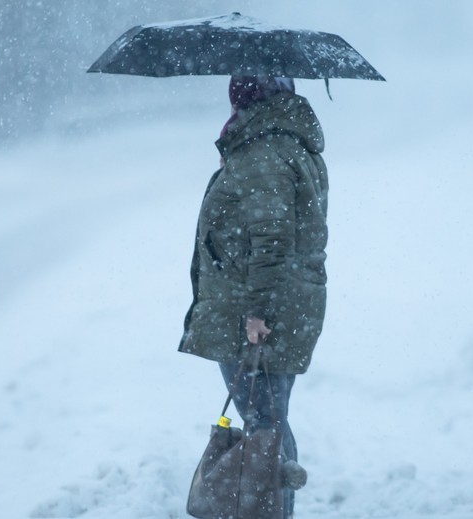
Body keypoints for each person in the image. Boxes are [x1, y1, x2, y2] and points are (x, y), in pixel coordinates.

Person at [179, 75, 328, 518]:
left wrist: (257, 312)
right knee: (269, 420)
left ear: (247, 97)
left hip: (260, 312)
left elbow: (272, 237)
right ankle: (276, 509)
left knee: (265, 424)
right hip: (280, 303)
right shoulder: (280, 143)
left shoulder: (264, 151)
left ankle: (273, 511)